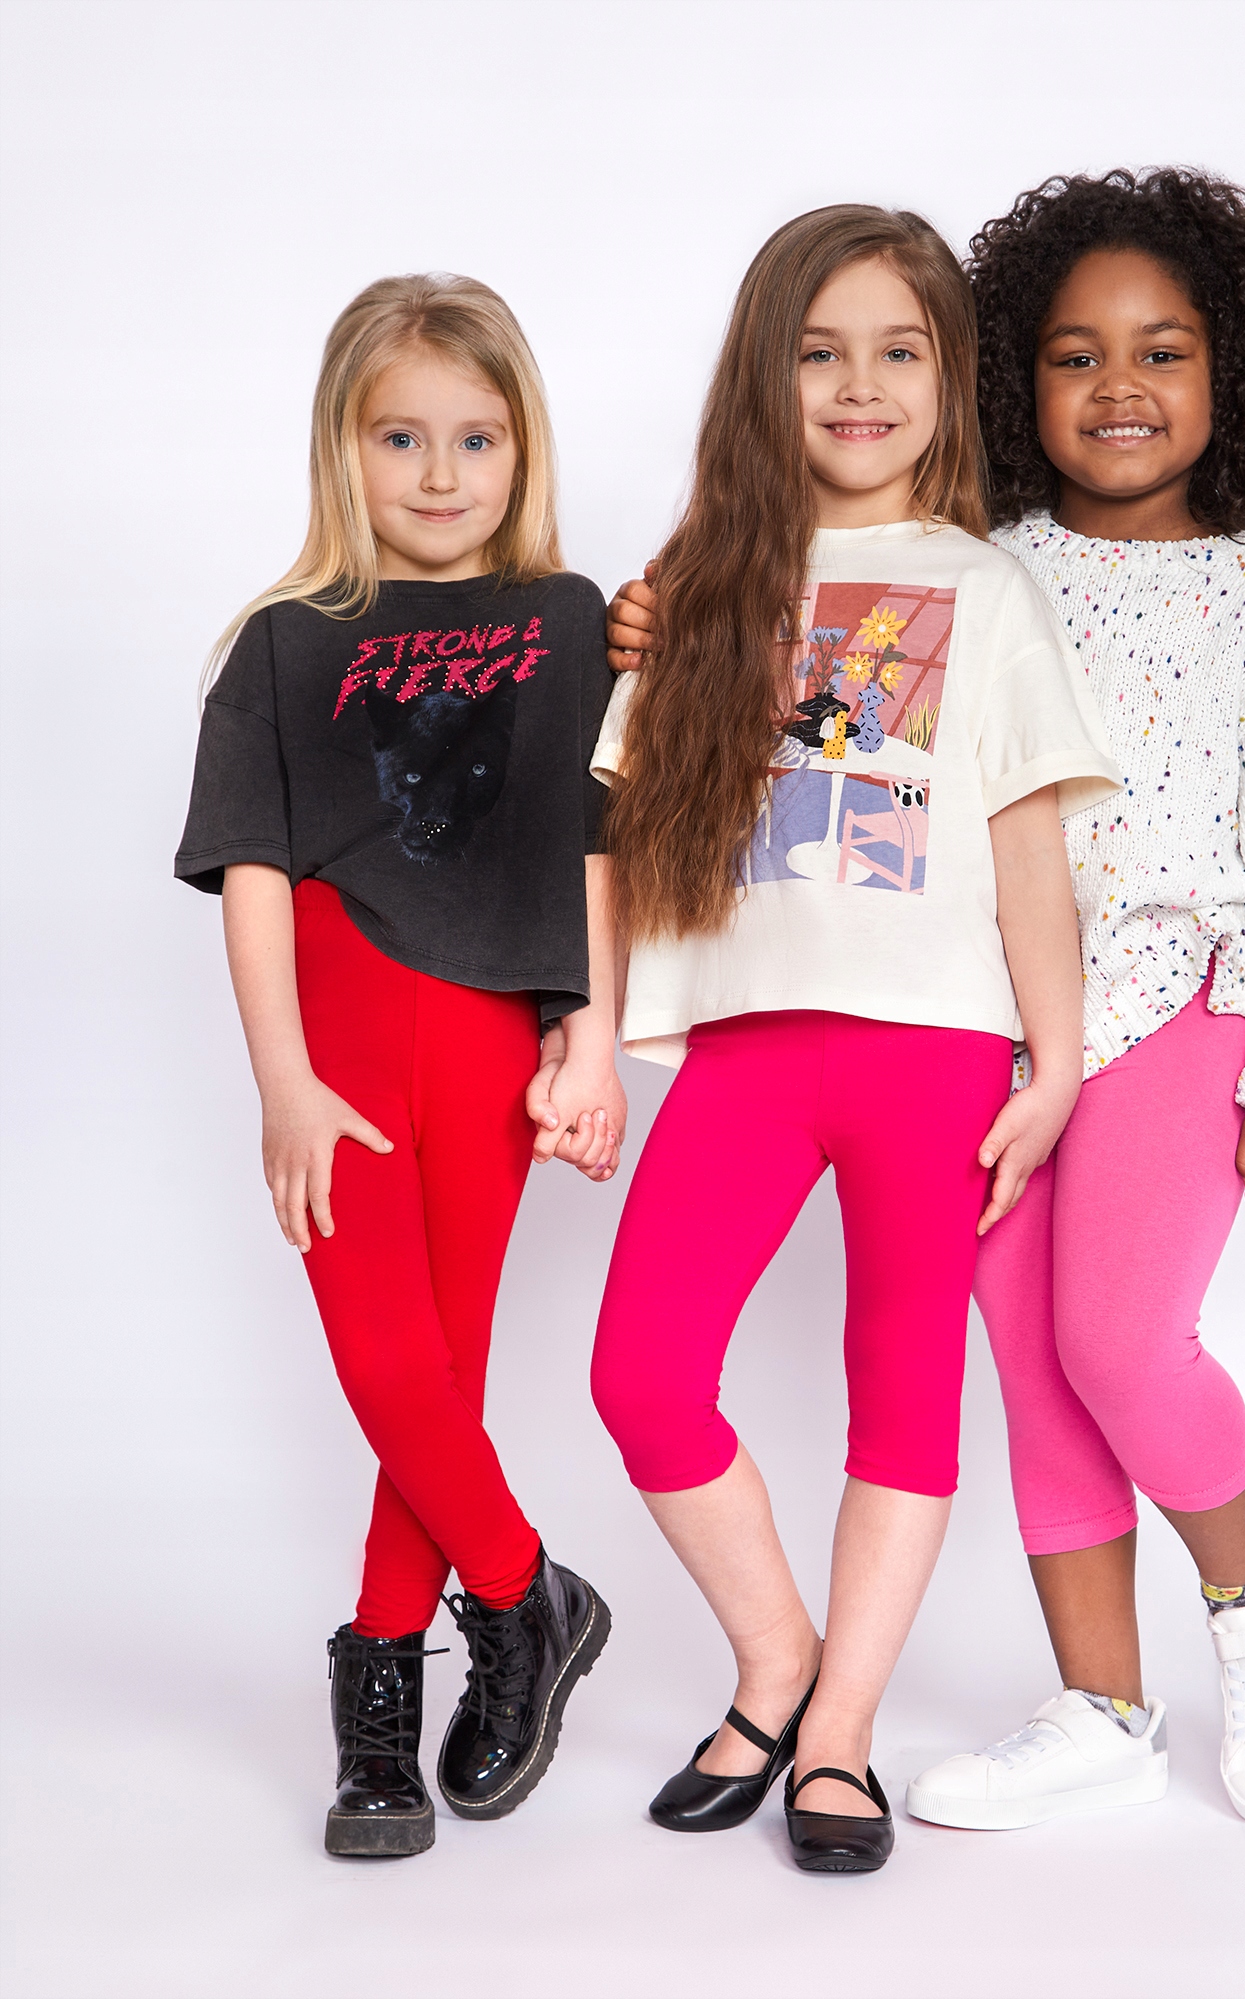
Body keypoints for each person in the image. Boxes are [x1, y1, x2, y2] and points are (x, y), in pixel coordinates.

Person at [605, 169, 1245, 1833]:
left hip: (1171, 1000)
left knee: (1116, 1339)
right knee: (1029, 1363)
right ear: (1014, 381)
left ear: (1234, 376)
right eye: (1074, 355)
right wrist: (656, 619)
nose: (1118, 387)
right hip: (993, 1019)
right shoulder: (981, 559)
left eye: (1163, 353)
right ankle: (1102, 1702)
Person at [584, 204, 1121, 1875]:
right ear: (767, 374)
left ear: (949, 378)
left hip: (934, 1055)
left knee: (902, 1400)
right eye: (820, 352)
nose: (860, 383)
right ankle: (775, 1663)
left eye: (899, 349)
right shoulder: (695, 591)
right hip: (747, 1050)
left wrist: (1057, 1067)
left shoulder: (989, 591)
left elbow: (1028, 851)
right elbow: (609, 833)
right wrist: (589, 1040)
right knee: (641, 1373)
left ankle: (840, 1734)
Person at [175, 274, 622, 1857]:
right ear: (342, 450)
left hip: (493, 1037)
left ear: (522, 448)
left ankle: (383, 1687)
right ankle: (524, 1595)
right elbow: (249, 872)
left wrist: (591, 1034)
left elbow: (592, 843)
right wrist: (282, 1080)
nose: (440, 473)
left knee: (440, 1368)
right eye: (401, 438)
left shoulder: (568, 621)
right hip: (343, 1042)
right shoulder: (284, 642)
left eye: (476, 439)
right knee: (386, 1363)